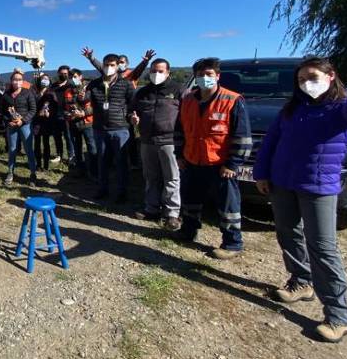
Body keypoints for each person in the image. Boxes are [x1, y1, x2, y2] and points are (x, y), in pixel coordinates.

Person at [253, 57, 347, 343]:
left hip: (319, 187)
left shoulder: (341, 108)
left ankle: (338, 314)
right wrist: (262, 173)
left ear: (331, 76)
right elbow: (271, 142)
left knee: (322, 247)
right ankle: (301, 281)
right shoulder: (292, 109)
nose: (307, 83)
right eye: (302, 79)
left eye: (313, 76)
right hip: (283, 182)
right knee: (287, 234)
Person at [174, 57, 251, 260]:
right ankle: (188, 231)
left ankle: (232, 243)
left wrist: (232, 164)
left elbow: (242, 137)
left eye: (208, 75)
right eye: (200, 75)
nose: (204, 78)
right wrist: (179, 155)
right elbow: (179, 130)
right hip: (192, 160)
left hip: (220, 165)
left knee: (228, 205)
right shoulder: (188, 99)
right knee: (191, 200)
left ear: (217, 76)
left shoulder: (232, 100)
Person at [128, 58, 183, 231]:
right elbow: (131, 110)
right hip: (147, 140)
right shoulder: (143, 92)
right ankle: (151, 208)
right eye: (153, 71)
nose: (156, 74)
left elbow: (187, 115)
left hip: (170, 141)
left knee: (171, 178)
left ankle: (172, 214)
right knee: (151, 176)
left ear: (168, 73)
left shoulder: (179, 90)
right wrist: (132, 117)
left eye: (160, 71)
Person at [86, 53, 136, 202]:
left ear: (117, 66)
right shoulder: (94, 84)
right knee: (102, 160)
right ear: (103, 65)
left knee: (121, 161)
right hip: (100, 128)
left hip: (120, 128)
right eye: (106, 64)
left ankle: (122, 192)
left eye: (112, 65)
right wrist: (82, 96)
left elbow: (132, 103)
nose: (109, 68)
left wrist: (130, 117)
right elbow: (86, 101)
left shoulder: (125, 84)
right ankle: (103, 189)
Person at [0, 71, 37, 187]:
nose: (17, 81)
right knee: (12, 149)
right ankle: (10, 173)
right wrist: (8, 120)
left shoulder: (27, 93)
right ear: (11, 81)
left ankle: (33, 174)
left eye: (19, 79)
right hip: (12, 126)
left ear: (22, 81)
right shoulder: (6, 94)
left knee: (28, 149)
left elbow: (33, 110)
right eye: (15, 79)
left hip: (25, 125)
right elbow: (2, 110)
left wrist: (23, 121)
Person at [62, 69, 96, 179]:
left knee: (92, 147)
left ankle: (94, 171)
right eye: (71, 76)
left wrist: (83, 113)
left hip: (88, 123)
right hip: (73, 123)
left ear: (81, 77)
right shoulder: (67, 91)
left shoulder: (89, 89)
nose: (73, 78)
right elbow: (65, 107)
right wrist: (69, 114)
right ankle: (81, 170)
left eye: (75, 76)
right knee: (77, 148)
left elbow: (95, 107)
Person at [32, 73, 58, 171]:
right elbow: (31, 105)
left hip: (47, 122)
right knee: (37, 143)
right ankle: (38, 164)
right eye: (43, 79)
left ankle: (46, 165)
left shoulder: (51, 92)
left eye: (47, 79)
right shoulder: (34, 91)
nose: (45, 80)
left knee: (46, 143)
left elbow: (55, 107)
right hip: (36, 121)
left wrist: (49, 113)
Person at [51, 65, 73, 164]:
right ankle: (59, 155)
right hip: (55, 114)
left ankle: (71, 156)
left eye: (65, 74)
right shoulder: (53, 86)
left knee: (68, 137)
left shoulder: (70, 85)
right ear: (58, 73)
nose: (63, 75)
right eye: (61, 73)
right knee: (57, 136)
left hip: (66, 115)